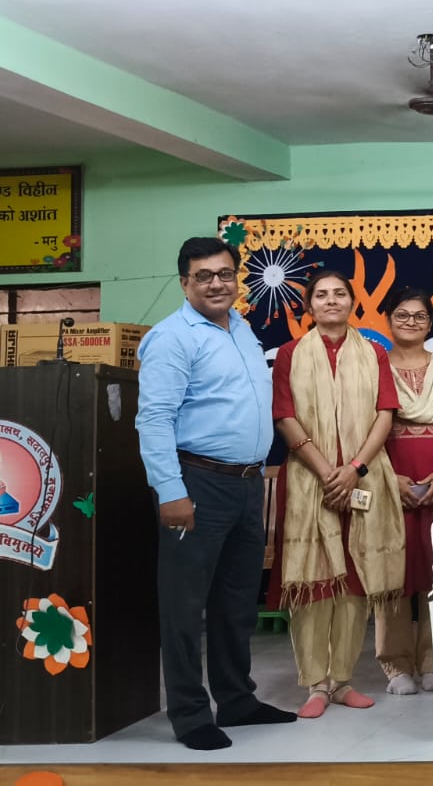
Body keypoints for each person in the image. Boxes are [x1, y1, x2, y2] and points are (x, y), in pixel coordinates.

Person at [135, 237, 295, 751]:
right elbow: (154, 419)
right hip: (196, 483)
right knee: (185, 606)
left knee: (236, 602)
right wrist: (170, 491)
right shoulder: (171, 338)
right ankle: (188, 714)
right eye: (203, 276)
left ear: (237, 278)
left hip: (246, 484)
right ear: (185, 283)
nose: (216, 284)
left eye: (225, 274)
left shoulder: (241, 329)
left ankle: (238, 700)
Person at [272, 268, 406, 719]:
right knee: (315, 582)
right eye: (321, 295)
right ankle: (315, 683)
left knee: (352, 579)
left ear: (351, 302)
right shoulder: (291, 353)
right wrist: (328, 471)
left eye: (339, 294)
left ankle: (343, 680)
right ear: (309, 306)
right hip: (309, 481)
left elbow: (385, 414)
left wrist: (354, 469)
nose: (331, 301)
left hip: (363, 479)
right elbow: (285, 416)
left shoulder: (374, 352)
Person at [377, 288, 433, 697]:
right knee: (392, 569)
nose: (411, 322)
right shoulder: (374, 367)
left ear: (430, 324)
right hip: (389, 476)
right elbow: (363, 428)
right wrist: (387, 477)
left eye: (419, 316)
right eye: (402, 314)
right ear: (388, 320)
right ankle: (395, 663)